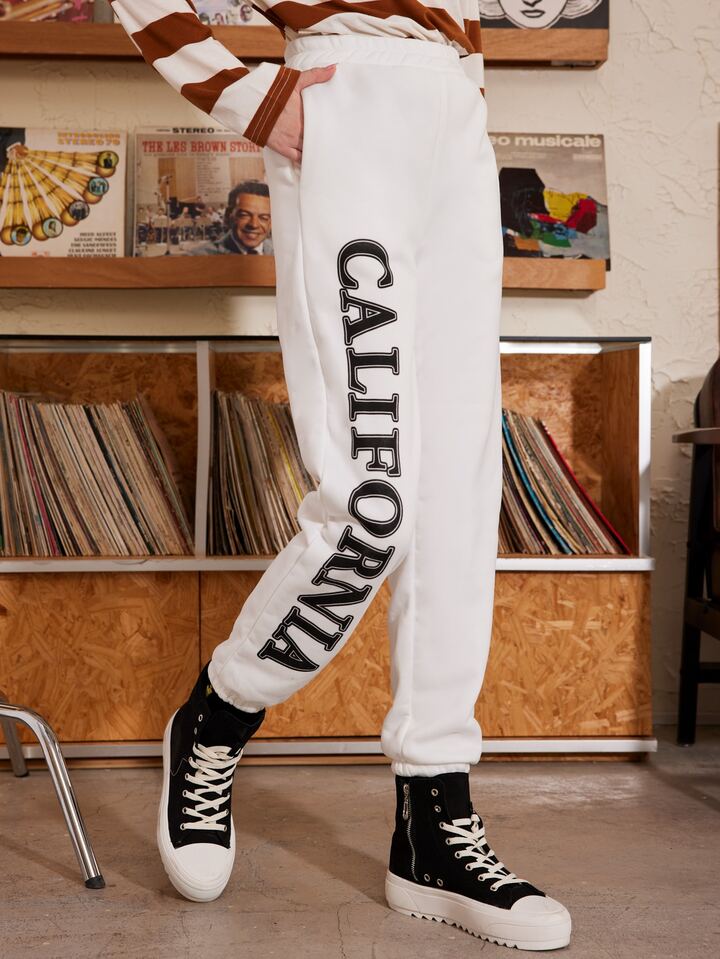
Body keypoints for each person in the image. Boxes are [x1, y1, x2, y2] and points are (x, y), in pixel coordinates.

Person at [110, 0, 571, 950]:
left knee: (457, 498)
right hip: (348, 101)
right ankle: (220, 712)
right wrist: (245, 94)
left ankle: (433, 821)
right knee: (375, 503)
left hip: (456, 107)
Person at [193, 181, 273, 254]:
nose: (254, 224)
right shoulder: (198, 257)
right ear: (228, 215)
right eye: (244, 215)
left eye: (264, 218)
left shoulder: (278, 252)